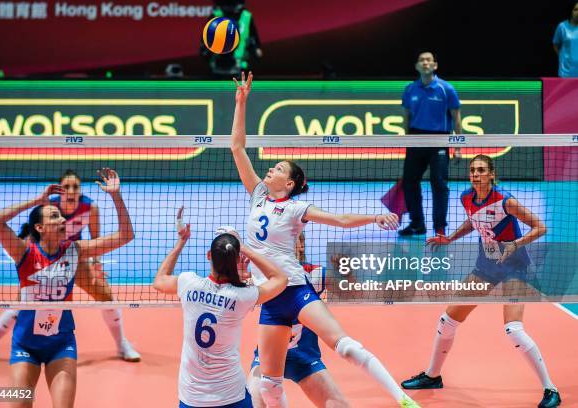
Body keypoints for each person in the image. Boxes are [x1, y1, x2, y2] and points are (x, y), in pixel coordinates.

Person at [231, 71, 419, 408]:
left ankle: (401, 397)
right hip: (269, 300)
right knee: (270, 385)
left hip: (293, 288)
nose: (270, 171)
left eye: (278, 169)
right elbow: (237, 146)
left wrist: (374, 217)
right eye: (271, 168)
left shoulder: (296, 207)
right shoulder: (258, 194)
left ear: (289, 184)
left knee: (344, 345)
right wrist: (241, 103)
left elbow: (341, 220)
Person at [400, 155, 561, 408]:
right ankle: (433, 376)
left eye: (481, 170)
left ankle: (550, 389)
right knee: (448, 320)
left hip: (514, 269)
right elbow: (474, 221)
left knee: (514, 330)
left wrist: (515, 244)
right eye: (473, 170)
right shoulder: (466, 197)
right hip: (485, 268)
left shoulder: (506, 201)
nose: (476, 174)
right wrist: (450, 238)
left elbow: (540, 228)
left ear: (491, 174)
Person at [0, 168, 134, 408]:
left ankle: (122, 344)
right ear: (39, 228)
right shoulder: (23, 252)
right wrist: (37, 201)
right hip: (26, 344)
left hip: (61, 344)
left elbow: (125, 236)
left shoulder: (75, 250)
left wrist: (116, 196)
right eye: (54, 217)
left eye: (61, 216)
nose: (63, 220)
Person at [152, 212, 288, 408]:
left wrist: (181, 242)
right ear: (237, 259)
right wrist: (246, 249)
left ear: (209, 256)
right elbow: (280, 279)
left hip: (192, 397)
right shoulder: (242, 296)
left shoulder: (189, 283)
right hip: (231, 395)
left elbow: (160, 280)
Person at [248, 232, 349, 408]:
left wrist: (346, 273)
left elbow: (350, 293)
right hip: (267, 358)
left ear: (300, 245)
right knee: (255, 403)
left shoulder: (316, 274)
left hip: (304, 359)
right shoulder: (263, 278)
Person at [399, 50, 462, 237]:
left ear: (435, 65)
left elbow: (456, 119)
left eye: (429, 60)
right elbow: (406, 117)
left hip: (440, 140)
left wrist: (458, 147)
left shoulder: (446, 89)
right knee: (409, 183)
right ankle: (417, 224)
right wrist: (407, 141)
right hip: (416, 139)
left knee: (439, 183)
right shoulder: (410, 89)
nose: (425, 63)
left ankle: (440, 227)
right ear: (417, 66)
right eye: (421, 60)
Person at [201, 0, 262, 78]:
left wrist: (255, 49)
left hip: (240, 69)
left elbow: (256, 46)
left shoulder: (246, 16)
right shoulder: (215, 16)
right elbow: (203, 49)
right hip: (216, 70)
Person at [553, 1, 578, 77]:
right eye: (576, 9)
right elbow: (555, 44)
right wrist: (562, 57)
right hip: (566, 72)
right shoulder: (562, 26)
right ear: (571, 11)